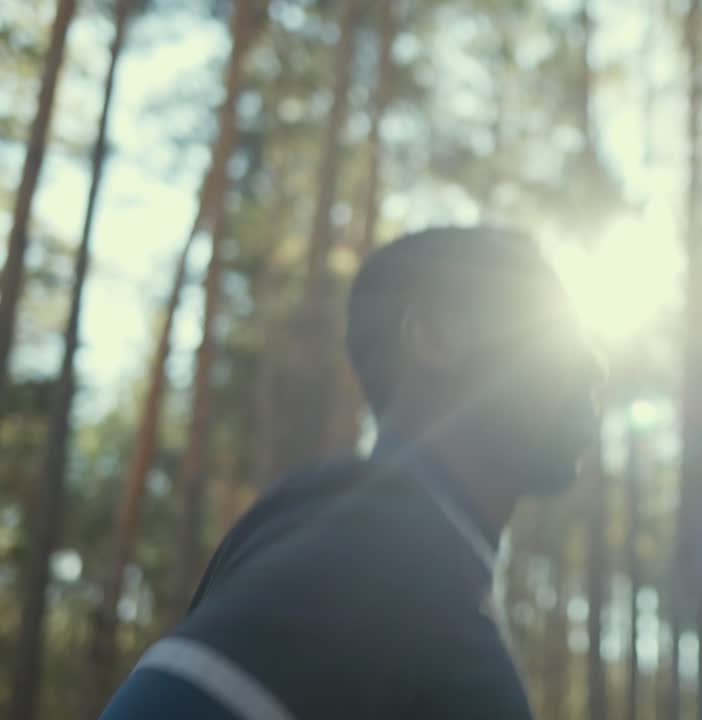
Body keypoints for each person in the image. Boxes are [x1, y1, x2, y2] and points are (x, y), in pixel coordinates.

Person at [100, 227, 603, 719]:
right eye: (554, 332)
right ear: (436, 338)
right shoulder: (380, 544)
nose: (594, 368)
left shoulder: (421, 562)